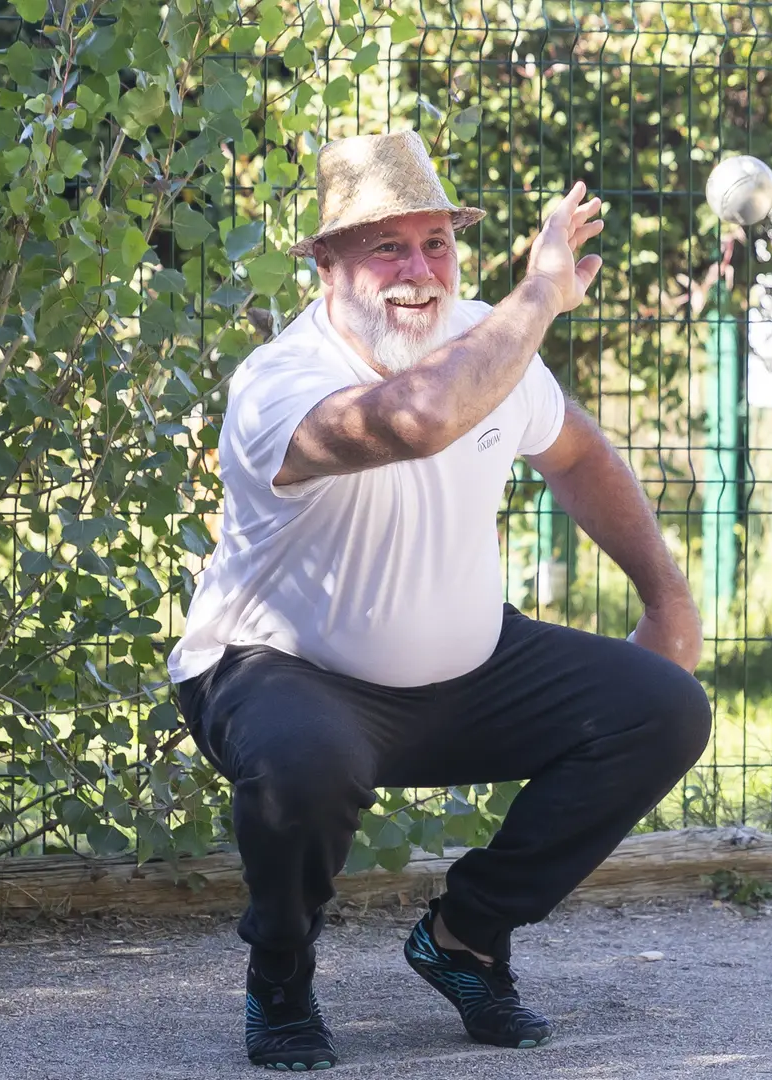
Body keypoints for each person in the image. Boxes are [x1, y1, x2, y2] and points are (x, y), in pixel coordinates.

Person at [166, 129, 713, 1071]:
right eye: (387, 246)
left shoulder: (485, 352)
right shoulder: (279, 383)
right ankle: (282, 979)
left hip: (469, 672)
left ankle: (465, 938)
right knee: (306, 761)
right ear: (326, 263)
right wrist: (539, 292)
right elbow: (420, 420)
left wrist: (664, 596)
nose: (420, 272)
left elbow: (578, 456)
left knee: (661, 709)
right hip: (282, 671)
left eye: (437, 244)